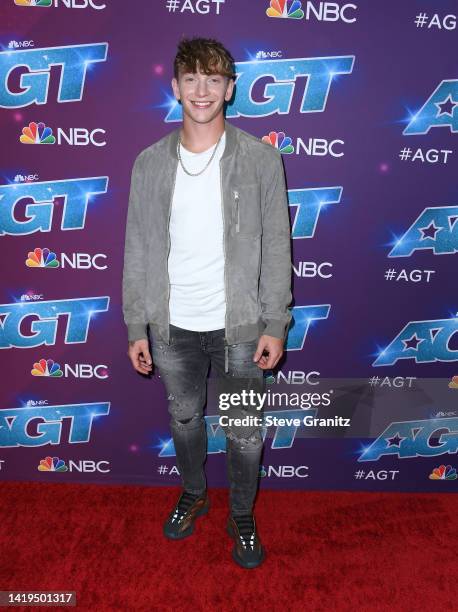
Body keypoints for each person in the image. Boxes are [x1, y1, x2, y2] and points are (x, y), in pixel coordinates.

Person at [122, 36, 292, 569]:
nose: (202, 90)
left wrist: (276, 323)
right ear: (175, 88)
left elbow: (276, 244)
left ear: (230, 88)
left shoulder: (261, 159)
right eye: (191, 79)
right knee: (184, 419)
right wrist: (135, 325)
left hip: (240, 326)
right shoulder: (148, 164)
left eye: (213, 79)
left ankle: (241, 513)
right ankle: (194, 493)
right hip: (172, 326)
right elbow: (137, 246)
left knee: (244, 432)